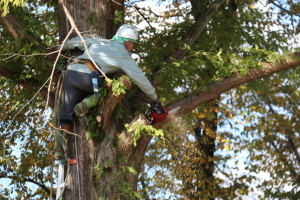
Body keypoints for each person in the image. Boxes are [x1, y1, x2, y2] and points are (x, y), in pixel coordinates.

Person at [53, 24, 159, 159]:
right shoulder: (124, 55)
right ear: (127, 42)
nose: (133, 48)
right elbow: (140, 78)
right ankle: (81, 107)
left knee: (65, 111)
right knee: (105, 86)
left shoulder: (99, 40)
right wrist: (154, 97)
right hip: (89, 79)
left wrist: (58, 48)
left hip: (71, 74)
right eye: (134, 44)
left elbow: (76, 42)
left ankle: (58, 149)